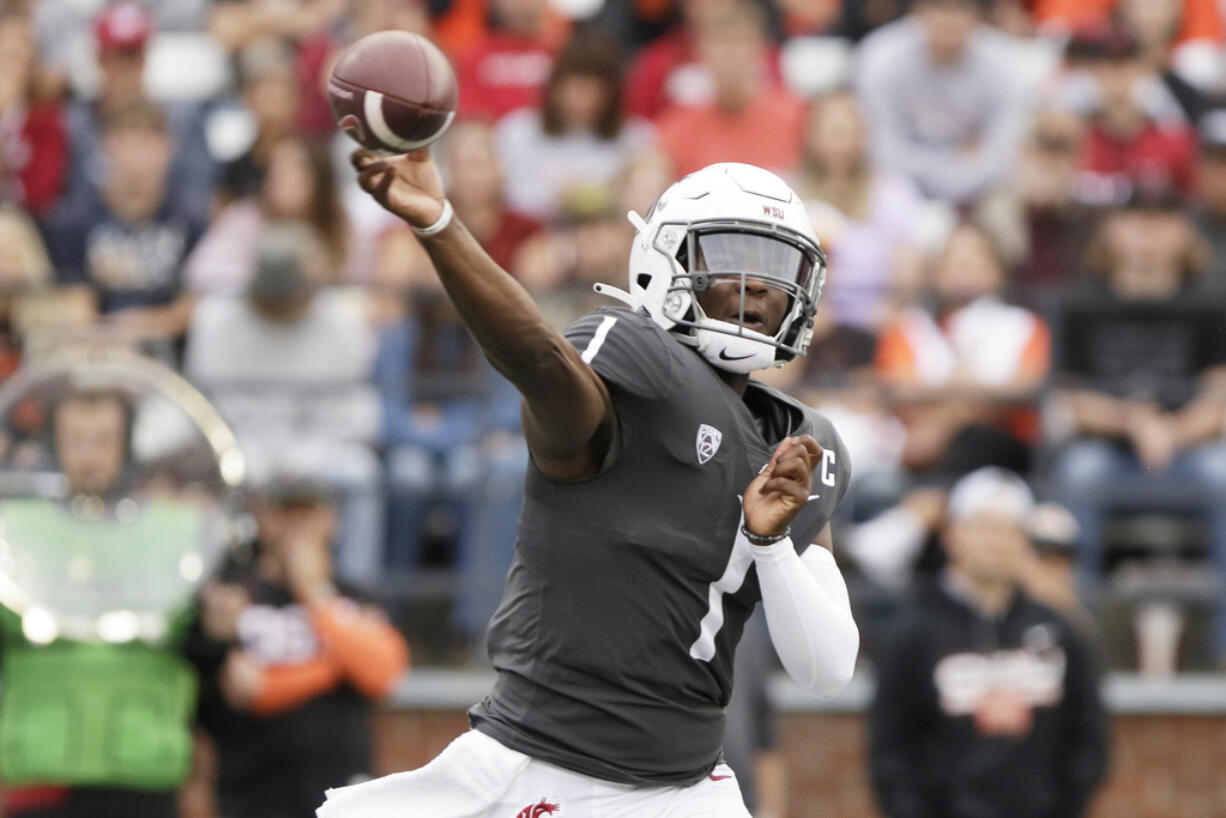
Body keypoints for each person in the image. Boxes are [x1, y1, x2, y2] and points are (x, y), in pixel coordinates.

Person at [316, 148, 859, 814]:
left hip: (685, 789)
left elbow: (827, 670)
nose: (762, 287)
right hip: (538, 767)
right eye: (731, 259)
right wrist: (441, 226)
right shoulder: (635, 367)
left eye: (778, 268)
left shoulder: (801, 446)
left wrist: (770, 545)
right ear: (666, 262)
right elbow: (538, 359)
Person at [868, 467, 1110, 818]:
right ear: (952, 533)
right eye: (982, 526)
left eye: (1008, 529)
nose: (995, 542)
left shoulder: (1059, 629)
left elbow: (1089, 739)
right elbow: (891, 751)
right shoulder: (912, 632)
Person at [0, 388, 197, 818]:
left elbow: (198, 633)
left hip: (143, 759)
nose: (90, 456)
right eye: (76, 440)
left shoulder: (173, 530)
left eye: (104, 440)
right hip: (40, 762)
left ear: (125, 447)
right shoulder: (13, 530)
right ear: (55, 445)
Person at [193, 475, 409, 818]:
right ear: (263, 520)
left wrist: (316, 595)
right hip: (252, 793)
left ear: (331, 521)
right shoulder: (232, 595)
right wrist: (337, 666)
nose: (297, 527)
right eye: (285, 514)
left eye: (308, 514)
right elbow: (247, 689)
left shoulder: (355, 596)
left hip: (343, 795)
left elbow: (383, 675)